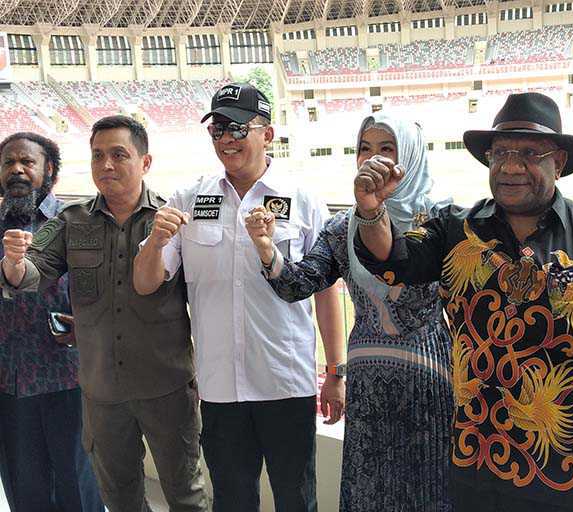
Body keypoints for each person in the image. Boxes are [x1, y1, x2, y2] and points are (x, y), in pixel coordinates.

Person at [351, 92, 573, 511]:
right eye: (500, 153)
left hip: (569, 470)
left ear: (558, 162)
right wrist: (371, 211)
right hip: (478, 461)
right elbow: (393, 260)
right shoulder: (456, 230)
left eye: (529, 153)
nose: (511, 166)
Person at [133, 83, 345, 512]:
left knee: (296, 497)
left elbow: (326, 291)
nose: (226, 139)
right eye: (217, 129)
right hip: (220, 387)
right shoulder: (189, 198)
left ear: (267, 133)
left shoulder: (303, 200)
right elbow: (146, 283)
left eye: (236, 127)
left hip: (286, 381)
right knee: (231, 499)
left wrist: (336, 372)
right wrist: (155, 243)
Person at [245, 112, 454, 511]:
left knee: (428, 489)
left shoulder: (442, 221)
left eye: (386, 149)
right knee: (370, 491)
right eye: (364, 149)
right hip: (370, 385)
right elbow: (299, 283)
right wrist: (266, 249)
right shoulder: (344, 227)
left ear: (409, 155)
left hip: (429, 383)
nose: (372, 160)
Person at [0, 116, 208, 512]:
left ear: (145, 162)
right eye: (98, 156)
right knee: (120, 498)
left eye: (118, 155)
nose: (106, 165)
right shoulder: (71, 221)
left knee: (185, 496)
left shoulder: (170, 220)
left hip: (166, 388)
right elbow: (31, 274)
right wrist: (13, 263)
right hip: (102, 393)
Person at [0, 132, 103, 511]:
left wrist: (86, 326)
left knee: (78, 482)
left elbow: (104, 293)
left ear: (50, 171)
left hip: (67, 377)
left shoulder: (78, 223)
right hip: (7, 383)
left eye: (27, 162)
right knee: (23, 487)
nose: (17, 170)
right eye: (9, 162)